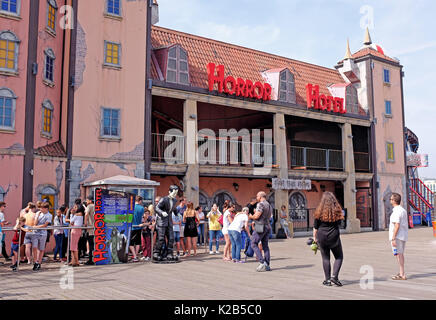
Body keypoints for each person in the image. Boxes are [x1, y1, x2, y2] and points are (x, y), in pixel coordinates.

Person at [313, 191, 344, 286]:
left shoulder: (319, 212)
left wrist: (314, 238)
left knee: (325, 258)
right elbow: (340, 224)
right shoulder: (337, 211)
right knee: (339, 256)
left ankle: (327, 280)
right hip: (334, 235)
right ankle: (334, 276)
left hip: (321, 236)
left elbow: (315, 227)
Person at [153, 185, 179, 262]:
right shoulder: (163, 199)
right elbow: (156, 208)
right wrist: (162, 212)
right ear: (169, 192)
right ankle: (156, 253)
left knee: (171, 238)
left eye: (176, 193)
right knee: (160, 238)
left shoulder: (174, 200)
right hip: (161, 221)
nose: (175, 195)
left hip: (169, 221)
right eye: (174, 193)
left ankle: (169, 253)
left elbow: (173, 208)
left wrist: (177, 213)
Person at [249, 191, 273, 272]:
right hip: (268, 226)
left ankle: (261, 262)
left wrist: (251, 216)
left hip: (260, 226)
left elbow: (257, 216)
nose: (256, 198)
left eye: (257, 196)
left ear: (260, 196)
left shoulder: (260, 204)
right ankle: (267, 264)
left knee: (253, 243)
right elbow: (269, 216)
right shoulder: (269, 205)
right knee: (265, 245)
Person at [389, 192, 409, 281]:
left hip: (397, 236)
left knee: (398, 254)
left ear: (394, 201)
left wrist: (393, 238)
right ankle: (401, 272)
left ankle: (402, 274)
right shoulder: (403, 210)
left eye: (391, 199)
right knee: (400, 254)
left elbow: (397, 225)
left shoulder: (396, 211)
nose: (390, 200)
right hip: (403, 235)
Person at [32, 202, 53, 271]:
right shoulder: (38, 213)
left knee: (41, 249)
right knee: (34, 247)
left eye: (42, 208)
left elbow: (45, 225)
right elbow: (34, 223)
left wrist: (36, 227)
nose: (40, 209)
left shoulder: (49, 215)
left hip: (43, 233)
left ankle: (39, 262)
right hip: (35, 232)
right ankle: (35, 262)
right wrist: (37, 216)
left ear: (46, 208)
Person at [130, 196, 144, 262]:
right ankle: (135, 255)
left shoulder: (131, 207)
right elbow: (142, 217)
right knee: (138, 242)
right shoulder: (142, 208)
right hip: (139, 226)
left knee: (131, 243)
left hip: (132, 226)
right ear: (140, 200)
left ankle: (134, 256)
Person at [83, 196, 95, 265]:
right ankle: (94, 258)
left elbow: (86, 214)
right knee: (93, 245)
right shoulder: (96, 206)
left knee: (90, 245)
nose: (86, 202)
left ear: (90, 201)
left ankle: (90, 260)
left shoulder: (89, 206)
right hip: (95, 228)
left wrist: (85, 223)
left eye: (87, 200)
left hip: (90, 228)